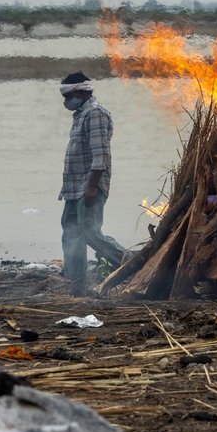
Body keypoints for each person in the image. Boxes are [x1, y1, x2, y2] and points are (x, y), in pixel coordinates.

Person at [58, 72, 126, 295]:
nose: (66, 101)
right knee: (71, 233)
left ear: (80, 92)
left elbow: (101, 156)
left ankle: (131, 264)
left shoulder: (95, 114)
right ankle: (76, 284)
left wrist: (92, 187)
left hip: (89, 187)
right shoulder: (81, 115)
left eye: (68, 95)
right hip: (73, 188)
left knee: (90, 232)